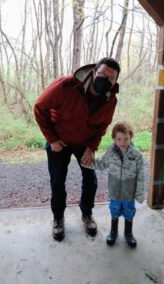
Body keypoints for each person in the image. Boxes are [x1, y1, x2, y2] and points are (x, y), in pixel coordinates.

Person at [34, 57, 121, 241]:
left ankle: (87, 214)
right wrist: (52, 139)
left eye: (110, 78)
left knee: (91, 180)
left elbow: (102, 126)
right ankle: (58, 218)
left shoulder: (110, 99)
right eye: (102, 74)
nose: (105, 80)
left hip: (84, 142)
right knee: (58, 181)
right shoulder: (66, 86)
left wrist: (91, 147)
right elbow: (40, 108)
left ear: (115, 82)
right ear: (93, 72)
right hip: (60, 142)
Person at [84, 121, 144, 247]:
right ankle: (113, 232)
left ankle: (128, 234)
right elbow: (101, 164)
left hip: (129, 193)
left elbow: (140, 176)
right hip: (115, 192)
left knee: (129, 212)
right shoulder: (111, 152)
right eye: (119, 139)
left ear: (131, 137)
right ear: (114, 139)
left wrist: (139, 193)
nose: (123, 142)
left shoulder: (136, 155)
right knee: (114, 211)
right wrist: (88, 163)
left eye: (126, 139)